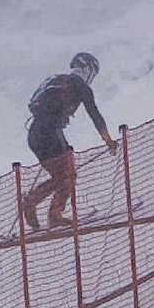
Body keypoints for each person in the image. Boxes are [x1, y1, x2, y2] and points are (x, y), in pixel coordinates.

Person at [20, 52, 118, 231]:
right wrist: (108, 140)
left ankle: (34, 202)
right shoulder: (81, 87)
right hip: (51, 134)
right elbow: (94, 113)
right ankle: (49, 212)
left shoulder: (57, 80)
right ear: (88, 70)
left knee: (62, 176)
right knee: (67, 176)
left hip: (35, 133)